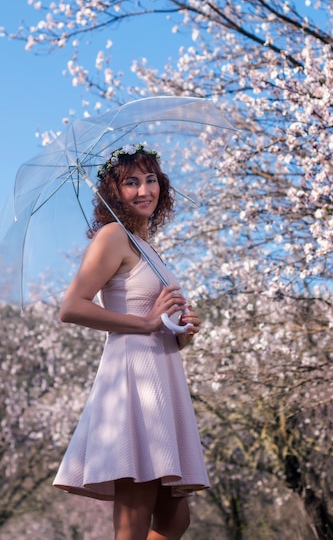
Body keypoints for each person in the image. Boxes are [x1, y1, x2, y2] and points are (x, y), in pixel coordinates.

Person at [53, 144, 210, 540]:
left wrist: (182, 330)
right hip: (132, 384)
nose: (144, 190)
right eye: (131, 183)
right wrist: (144, 324)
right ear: (114, 192)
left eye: (151, 180)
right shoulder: (112, 237)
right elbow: (71, 307)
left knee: (175, 521)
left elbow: (157, 322)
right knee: (134, 520)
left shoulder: (149, 248)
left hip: (163, 375)